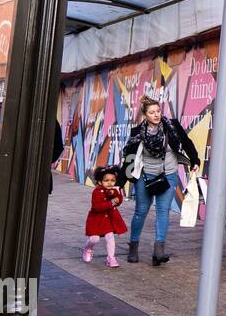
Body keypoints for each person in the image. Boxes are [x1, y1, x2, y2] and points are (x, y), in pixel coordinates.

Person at [121, 94, 200, 266]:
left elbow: (186, 143)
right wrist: (119, 183)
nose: (156, 115)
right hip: (145, 176)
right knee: (141, 211)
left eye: (158, 111)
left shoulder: (172, 127)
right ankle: (133, 246)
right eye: (151, 112)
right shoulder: (138, 133)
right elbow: (129, 158)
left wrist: (195, 160)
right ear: (145, 115)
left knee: (163, 211)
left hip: (168, 175)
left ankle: (159, 250)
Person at [84, 167, 127, 268]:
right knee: (95, 239)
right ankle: (88, 248)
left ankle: (111, 258)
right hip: (97, 220)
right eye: (106, 180)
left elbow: (119, 199)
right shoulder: (97, 192)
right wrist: (112, 202)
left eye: (112, 180)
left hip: (109, 219)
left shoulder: (114, 190)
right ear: (100, 182)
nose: (110, 183)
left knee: (110, 237)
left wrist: (118, 199)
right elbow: (97, 207)